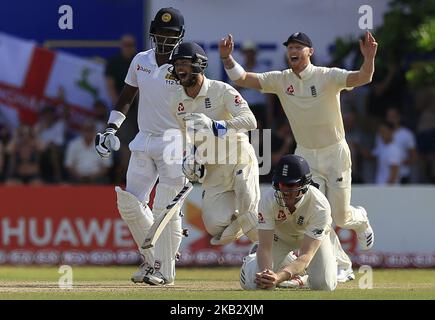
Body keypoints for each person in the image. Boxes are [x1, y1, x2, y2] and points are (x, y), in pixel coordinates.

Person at [219, 31, 376, 253]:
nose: (292, 51)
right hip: (306, 157)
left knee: (340, 216)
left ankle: (361, 220)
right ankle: (339, 266)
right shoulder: (281, 80)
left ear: (310, 52)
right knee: (317, 213)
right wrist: (227, 58)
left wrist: (368, 58)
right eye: (290, 48)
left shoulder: (327, 76)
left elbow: (363, 77)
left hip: (335, 152)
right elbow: (242, 78)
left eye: (298, 47)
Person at [95, 7, 187, 286]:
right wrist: (112, 128)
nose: (165, 37)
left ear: (180, 36)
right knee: (130, 203)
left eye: (171, 33)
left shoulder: (185, 63)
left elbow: (197, 102)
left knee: (167, 208)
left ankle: (163, 270)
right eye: (161, 32)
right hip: (144, 138)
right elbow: (126, 97)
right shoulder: (141, 60)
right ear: (152, 32)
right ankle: (154, 261)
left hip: (174, 141)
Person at [169, 42, 260, 246]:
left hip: (239, 158)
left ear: (199, 64)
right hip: (212, 170)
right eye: (176, 64)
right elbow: (187, 138)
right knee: (215, 226)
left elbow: (250, 121)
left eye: (184, 63)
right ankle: (251, 222)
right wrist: (189, 158)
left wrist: (215, 125)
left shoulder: (221, 89)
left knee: (248, 210)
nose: (180, 69)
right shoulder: (176, 101)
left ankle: (288, 261)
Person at [240, 154, 337, 291]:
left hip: (312, 241)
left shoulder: (320, 206)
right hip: (279, 238)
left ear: (304, 185)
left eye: (291, 185)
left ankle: (299, 277)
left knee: (324, 285)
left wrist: (278, 278)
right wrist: (267, 276)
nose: (285, 190)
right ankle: (251, 262)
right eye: (282, 184)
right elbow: (265, 247)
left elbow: (305, 255)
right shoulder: (268, 200)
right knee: (255, 284)